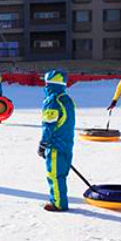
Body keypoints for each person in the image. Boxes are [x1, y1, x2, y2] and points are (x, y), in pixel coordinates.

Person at [38, 69, 76, 212]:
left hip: (55, 145)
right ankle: (60, 199)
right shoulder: (66, 99)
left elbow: (49, 126)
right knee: (62, 174)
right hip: (67, 143)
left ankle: (58, 203)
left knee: (54, 175)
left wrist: (43, 143)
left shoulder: (52, 102)